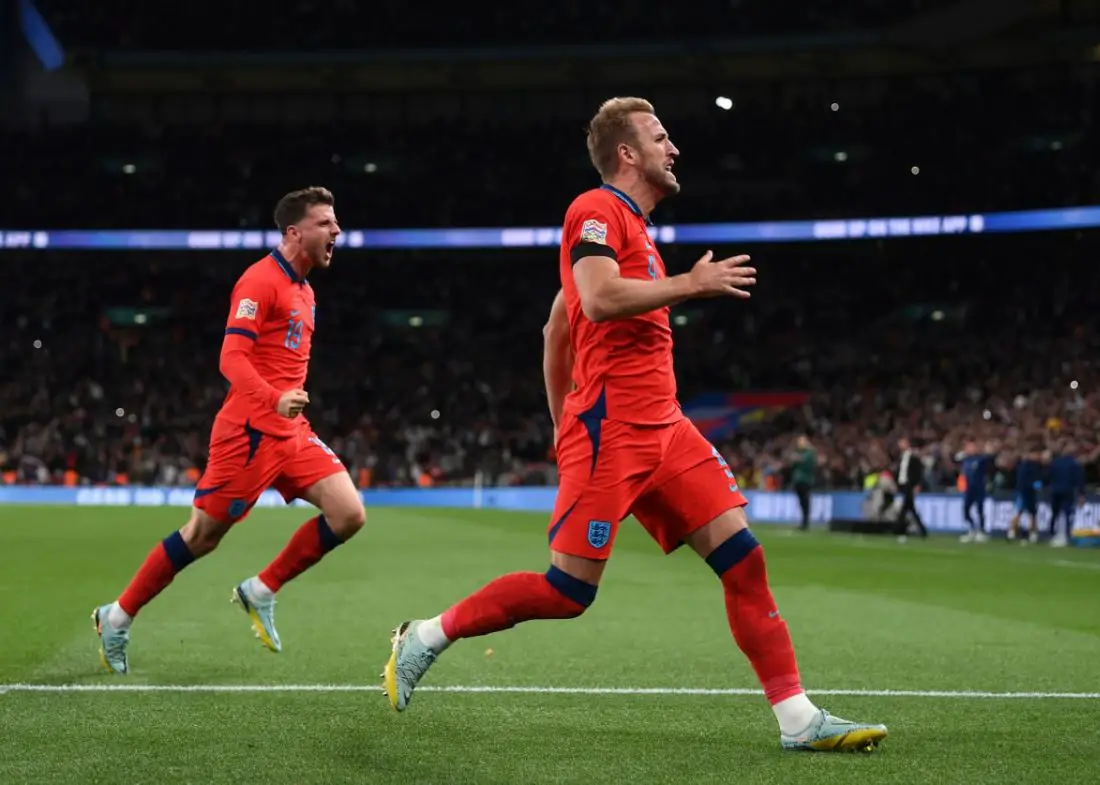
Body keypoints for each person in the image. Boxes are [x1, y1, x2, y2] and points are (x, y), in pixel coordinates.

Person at [382, 97, 887, 753]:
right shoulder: (592, 211)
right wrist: (689, 287)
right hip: (611, 433)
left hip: (667, 431)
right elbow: (593, 299)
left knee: (745, 560)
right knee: (567, 591)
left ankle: (798, 718)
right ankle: (424, 635)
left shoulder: (636, 229)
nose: (673, 149)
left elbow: (557, 322)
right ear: (628, 153)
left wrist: (562, 407)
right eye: (660, 136)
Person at [92, 187, 366, 674]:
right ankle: (116, 616)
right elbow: (230, 358)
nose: (337, 231)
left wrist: (286, 406)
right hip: (249, 435)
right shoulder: (259, 282)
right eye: (327, 223)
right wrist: (275, 399)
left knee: (348, 514)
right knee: (201, 536)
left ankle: (260, 589)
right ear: (294, 232)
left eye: (336, 222)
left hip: (291, 433)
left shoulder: (306, 291)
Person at [893, 438, 927, 539]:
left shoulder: (913, 457)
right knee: (910, 508)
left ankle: (898, 530)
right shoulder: (900, 457)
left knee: (904, 508)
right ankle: (922, 531)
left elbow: (918, 471)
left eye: (902, 443)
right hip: (903, 484)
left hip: (909, 484)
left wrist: (917, 484)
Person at [789, 436, 817, 530]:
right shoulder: (800, 453)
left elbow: (803, 461)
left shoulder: (809, 453)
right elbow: (793, 464)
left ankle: (805, 522)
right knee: (801, 502)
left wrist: (797, 458)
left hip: (805, 480)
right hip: (798, 480)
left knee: (805, 501)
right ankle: (803, 522)